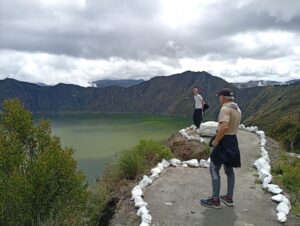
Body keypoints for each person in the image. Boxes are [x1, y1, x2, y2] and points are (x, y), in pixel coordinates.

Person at [200, 88, 242, 208]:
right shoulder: (237, 109)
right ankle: (229, 198)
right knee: (229, 170)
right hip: (233, 140)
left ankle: (215, 200)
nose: (219, 98)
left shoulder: (225, 109)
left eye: (219, 96)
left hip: (224, 141)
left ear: (223, 97)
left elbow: (224, 126)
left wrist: (216, 140)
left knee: (214, 168)